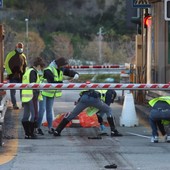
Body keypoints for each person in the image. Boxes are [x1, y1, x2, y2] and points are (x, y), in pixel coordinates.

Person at [37, 57, 79, 135]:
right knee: (42, 110)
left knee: (49, 110)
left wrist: (75, 74)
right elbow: (52, 82)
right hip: (43, 92)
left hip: (51, 93)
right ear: (58, 65)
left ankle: (50, 128)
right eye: (63, 66)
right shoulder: (48, 70)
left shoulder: (60, 68)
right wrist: (64, 82)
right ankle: (37, 128)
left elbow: (68, 72)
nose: (63, 68)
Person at [53, 89, 122, 137]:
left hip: (84, 98)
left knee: (73, 114)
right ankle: (113, 131)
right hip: (94, 99)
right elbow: (105, 108)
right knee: (109, 110)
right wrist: (100, 121)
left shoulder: (98, 87)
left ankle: (57, 131)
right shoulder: (110, 93)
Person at [21, 57, 45, 139]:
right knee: (34, 115)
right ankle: (31, 133)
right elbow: (33, 85)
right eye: (41, 67)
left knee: (26, 115)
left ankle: (27, 134)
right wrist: (37, 95)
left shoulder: (28, 71)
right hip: (32, 96)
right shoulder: (33, 72)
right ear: (38, 66)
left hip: (25, 96)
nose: (41, 69)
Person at [4, 42, 27, 109]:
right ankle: (14, 104)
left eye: (21, 48)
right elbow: (6, 64)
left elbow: (25, 65)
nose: (20, 49)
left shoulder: (23, 56)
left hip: (21, 76)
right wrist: (10, 73)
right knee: (13, 91)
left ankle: (23, 103)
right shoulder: (11, 54)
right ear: (16, 47)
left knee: (22, 91)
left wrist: (24, 74)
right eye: (19, 48)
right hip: (13, 76)